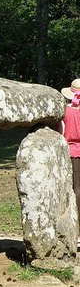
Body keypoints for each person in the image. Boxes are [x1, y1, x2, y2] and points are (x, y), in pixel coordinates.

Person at [59, 79, 80, 244]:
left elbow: (61, 133)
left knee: (75, 190)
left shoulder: (65, 111)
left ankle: (76, 230)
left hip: (72, 153)